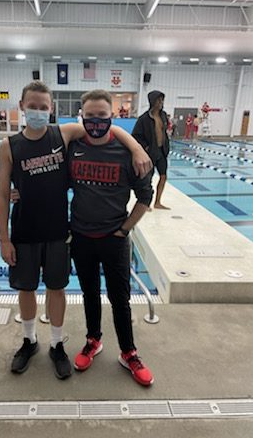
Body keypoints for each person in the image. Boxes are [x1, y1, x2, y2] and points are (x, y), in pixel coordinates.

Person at [0, 80, 152, 381]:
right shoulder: (21, 145)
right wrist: (5, 234)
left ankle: (89, 348)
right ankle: (44, 341)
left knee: (89, 294)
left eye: (44, 107)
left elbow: (111, 131)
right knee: (50, 291)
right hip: (47, 233)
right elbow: (10, 192)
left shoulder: (65, 134)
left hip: (77, 234)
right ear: (22, 107)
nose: (38, 112)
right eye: (33, 107)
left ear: (52, 109)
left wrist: (134, 146)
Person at [70, 89, 154, 386]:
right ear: (82, 117)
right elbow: (52, 183)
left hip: (115, 238)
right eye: (90, 116)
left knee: (121, 299)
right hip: (81, 236)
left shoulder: (129, 154)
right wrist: (20, 193)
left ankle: (128, 352)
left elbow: (145, 197)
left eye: (101, 116)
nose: (95, 121)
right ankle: (93, 340)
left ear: (111, 117)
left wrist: (124, 230)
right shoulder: (74, 148)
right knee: (89, 293)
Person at [132, 90, 170, 210]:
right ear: (152, 101)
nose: (161, 102)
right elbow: (136, 136)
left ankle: (157, 202)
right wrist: (146, 148)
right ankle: (146, 203)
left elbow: (164, 132)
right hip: (150, 153)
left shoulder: (163, 115)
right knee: (147, 179)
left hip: (162, 151)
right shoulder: (144, 119)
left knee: (163, 176)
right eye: (159, 100)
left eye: (162, 100)